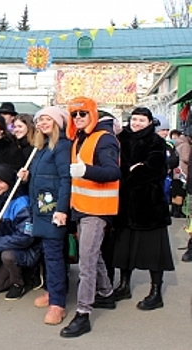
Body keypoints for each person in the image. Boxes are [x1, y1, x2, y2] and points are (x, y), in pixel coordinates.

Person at [60, 97, 121, 338]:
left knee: (86, 262)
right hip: (82, 207)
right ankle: (106, 294)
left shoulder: (104, 139)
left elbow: (113, 171)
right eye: (74, 114)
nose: (77, 118)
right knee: (91, 256)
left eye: (82, 114)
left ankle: (83, 313)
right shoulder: (80, 138)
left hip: (97, 210)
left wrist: (87, 171)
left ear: (92, 114)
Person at [112, 107, 174, 310]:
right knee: (125, 248)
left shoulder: (156, 141)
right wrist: (132, 169)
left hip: (150, 205)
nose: (136, 123)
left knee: (154, 251)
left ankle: (156, 292)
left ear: (149, 122)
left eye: (141, 120)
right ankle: (124, 285)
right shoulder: (121, 139)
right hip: (126, 204)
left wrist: (132, 172)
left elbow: (154, 170)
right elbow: (116, 167)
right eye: (134, 119)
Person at [17, 106, 71, 325]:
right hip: (39, 209)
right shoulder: (40, 148)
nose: (43, 123)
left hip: (53, 210)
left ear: (57, 122)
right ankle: (52, 290)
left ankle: (57, 304)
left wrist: (62, 209)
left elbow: (66, 179)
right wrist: (27, 176)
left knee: (54, 254)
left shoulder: (62, 146)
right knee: (48, 253)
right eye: (40, 120)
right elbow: (45, 177)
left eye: (48, 119)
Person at [0, 164, 41, 299]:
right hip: (7, 245)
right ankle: (19, 273)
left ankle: (19, 283)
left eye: (0, 182)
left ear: (9, 184)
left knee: (7, 256)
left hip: (28, 249)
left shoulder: (21, 203)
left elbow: (26, 236)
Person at [171, 123, 187, 218]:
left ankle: (174, 210)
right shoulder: (185, 145)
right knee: (180, 191)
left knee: (175, 190)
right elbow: (186, 158)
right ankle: (178, 211)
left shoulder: (176, 144)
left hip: (176, 170)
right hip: (183, 171)